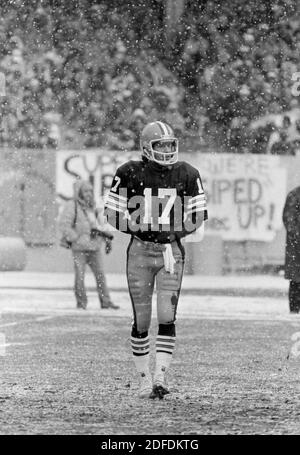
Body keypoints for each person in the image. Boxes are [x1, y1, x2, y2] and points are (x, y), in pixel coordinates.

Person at [104, 121, 207, 399]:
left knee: (166, 314)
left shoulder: (187, 173)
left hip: (170, 253)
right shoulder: (128, 172)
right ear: (146, 148)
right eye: (160, 145)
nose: (166, 150)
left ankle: (160, 375)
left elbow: (198, 215)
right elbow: (112, 213)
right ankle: (143, 378)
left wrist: (175, 231)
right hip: (139, 250)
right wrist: (135, 227)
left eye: (169, 145)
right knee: (141, 319)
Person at [59, 180, 119, 310]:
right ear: (79, 192)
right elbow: (64, 225)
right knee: (80, 276)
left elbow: (100, 226)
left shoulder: (93, 207)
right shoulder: (72, 206)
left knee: (100, 275)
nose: (89, 194)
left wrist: (107, 239)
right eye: (86, 191)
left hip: (95, 247)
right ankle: (81, 303)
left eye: (90, 191)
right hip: (79, 248)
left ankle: (106, 301)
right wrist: (76, 238)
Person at [282, 186, 300, 313]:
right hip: (297, 248)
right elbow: (289, 221)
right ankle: (294, 311)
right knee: (296, 282)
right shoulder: (295, 195)